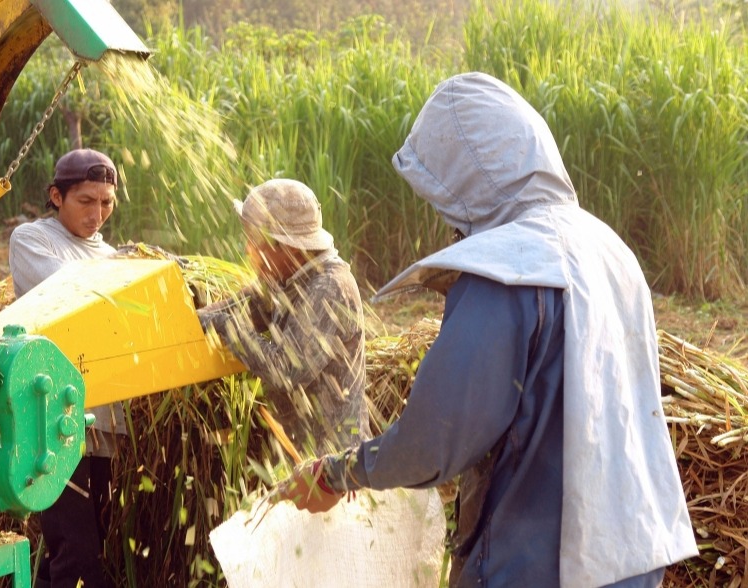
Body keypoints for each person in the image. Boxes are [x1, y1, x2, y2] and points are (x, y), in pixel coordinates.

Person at [277, 72, 698, 587]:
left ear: (467, 178)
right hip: (631, 554)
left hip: (537, 566)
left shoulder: (510, 270)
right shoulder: (609, 249)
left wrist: (338, 474)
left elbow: (435, 442)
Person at [9, 147, 125, 588]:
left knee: (82, 545)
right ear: (56, 196)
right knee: (76, 551)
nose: (97, 214)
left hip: (104, 422)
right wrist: (128, 273)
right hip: (53, 420)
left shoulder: (112, 255)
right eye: (86, 201)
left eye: (107, 203)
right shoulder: (32, 240)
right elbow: (69, 294)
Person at [197, 178, 371, 458]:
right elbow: (237, 309)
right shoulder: (286, 279)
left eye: (254, 242)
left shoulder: (330, 287)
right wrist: (188, 319)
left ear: (287, 247)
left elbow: (286, 370)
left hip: (337, 465)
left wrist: (226, 327)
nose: (247, 251)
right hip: (299, 457)